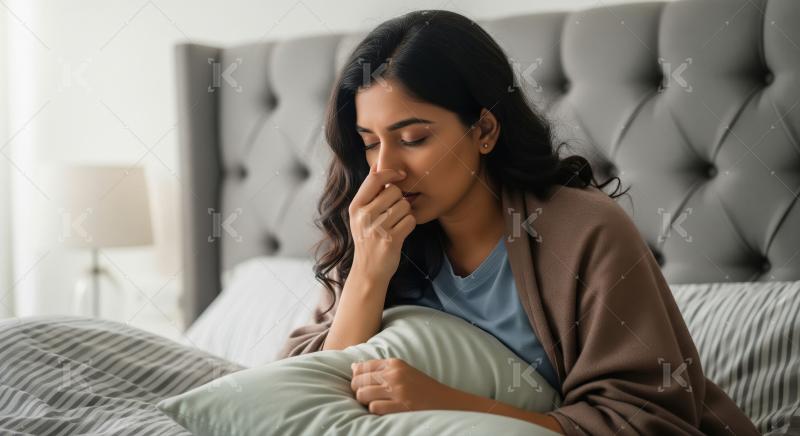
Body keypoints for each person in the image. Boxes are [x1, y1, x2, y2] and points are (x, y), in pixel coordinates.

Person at [278, 9, 761, 436]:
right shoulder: (373, 235)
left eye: (414, 137)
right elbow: (301, 395)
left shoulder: (585, 232)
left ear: (484, 130)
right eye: (369, 141)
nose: (386, 169)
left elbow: (647, 416)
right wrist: (366, 274)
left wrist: (451, 405)